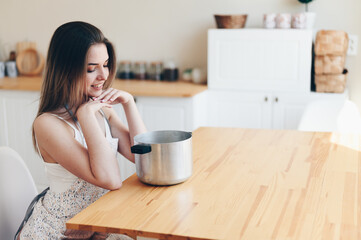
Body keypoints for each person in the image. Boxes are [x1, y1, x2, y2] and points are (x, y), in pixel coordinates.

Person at [17, 21, 146, 239]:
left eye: (105, 64)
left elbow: (143, 156)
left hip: (97, 223)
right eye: (91, 68)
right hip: (60, 231)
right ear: (66, 70)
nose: (103, 75)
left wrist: (129, 103)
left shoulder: (102, 110)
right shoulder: (48, 124)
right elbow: (110, 179)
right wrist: (85, 115)